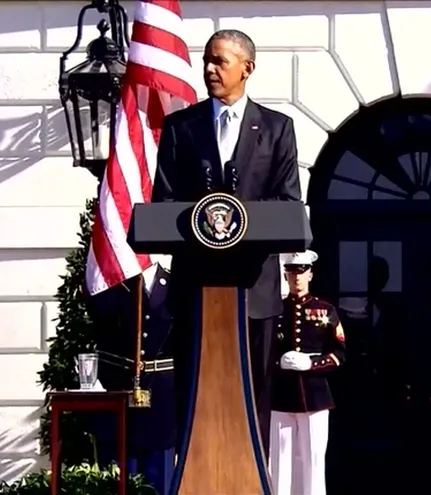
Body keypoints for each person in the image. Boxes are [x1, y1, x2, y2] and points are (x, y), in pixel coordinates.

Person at [152, 28, 302, 453]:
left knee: (253, 400)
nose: (210, 69)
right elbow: (164, 202)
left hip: (254, 291)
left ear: (247, 68)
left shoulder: (276, 129)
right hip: (195, 289)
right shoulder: (181, 127)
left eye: (220, 61)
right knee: (194, 398)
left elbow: (288, 202)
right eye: (206, 61)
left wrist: (240, 222)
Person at [89, 259, 175, 494]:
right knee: (117, 478)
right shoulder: (109, 285)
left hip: (162, 398)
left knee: (160, 479)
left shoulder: (176, 285)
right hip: (118, 393)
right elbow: (97, 314)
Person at [270, 250, 345, 495]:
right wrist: (277, 362)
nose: (297, 278)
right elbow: (262, 351)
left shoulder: (325, 309)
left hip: (315, 396)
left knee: (313, 459)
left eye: (301, 272)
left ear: (310, 274)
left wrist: (312, 364)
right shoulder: (275, 311)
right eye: (292, 273)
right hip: (282, 395)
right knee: (280, 460)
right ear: (285, 275)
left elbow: (339, 353)